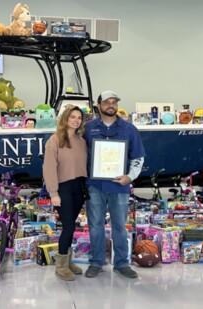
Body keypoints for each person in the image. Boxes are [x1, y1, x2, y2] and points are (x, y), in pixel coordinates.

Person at [84, 90, 145, 279]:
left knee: (120, 225)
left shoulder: (129, 129)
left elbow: (138, 157)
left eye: (114, 102)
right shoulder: (87, 128)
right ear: (98, 106)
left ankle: (121, 263)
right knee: (95, 225)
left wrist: (130, 177)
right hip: (94, 185)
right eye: (107, 102)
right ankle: (96, 262)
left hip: (120, 186)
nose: (111, 105)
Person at [43, 106, 87, 281]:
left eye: (79, 118)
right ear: (65, 119)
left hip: (79, 187)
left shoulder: (81, 140)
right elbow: (49, 168)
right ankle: (61, 266)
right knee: (67, 226)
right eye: (72, 117)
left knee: (72, 226)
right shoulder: (55, 140)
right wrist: (53, 192)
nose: (76, 120)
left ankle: (67, 261)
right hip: (63, 188)